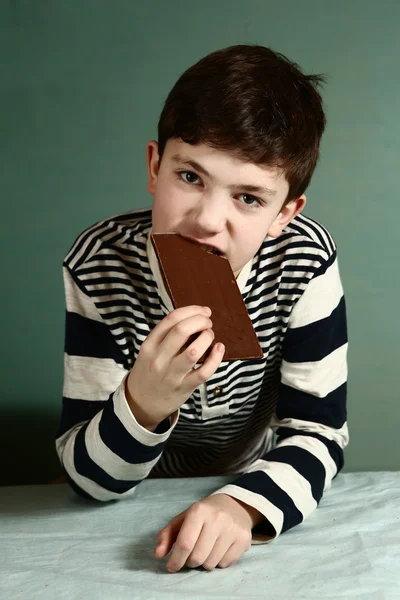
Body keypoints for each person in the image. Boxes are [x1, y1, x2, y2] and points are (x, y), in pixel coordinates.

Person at [56, 44, 349, 573]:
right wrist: (144, 401)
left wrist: (240, 504)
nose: (208, 220)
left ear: (285, 213)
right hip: (127, 494)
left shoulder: (304, 260)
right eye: (190, 177)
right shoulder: (99, 263)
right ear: (154, 165)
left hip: (249, 479)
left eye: (249, 198)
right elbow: (87, 481)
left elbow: (319, 433)